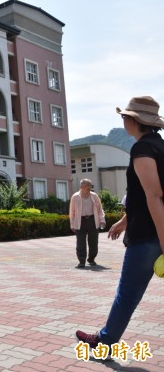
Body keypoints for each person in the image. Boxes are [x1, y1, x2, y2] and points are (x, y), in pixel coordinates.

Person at [76, 96, 164, 349]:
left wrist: (162, 239)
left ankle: (104, 342)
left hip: (149, 236)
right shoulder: (160, 147)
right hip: (152, 229)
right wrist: (125, 221)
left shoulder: (142, 149)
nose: (123, 120)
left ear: (134, 120)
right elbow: (144, 197)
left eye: (124, 116)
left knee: (127, 295)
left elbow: (154, 195)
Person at [69, 178, 106, 268]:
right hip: (80, 221)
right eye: (88, 185)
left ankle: (91, 259)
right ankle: (81, 261)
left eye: (90, 185)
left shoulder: (94, 196)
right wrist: (72, 224)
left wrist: (102, 220)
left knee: (93, 242)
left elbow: (99, 209)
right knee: (80, 242)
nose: (90, 187)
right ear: (82, 186)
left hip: (92, 220)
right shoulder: (75, 197)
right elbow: (72, 212)